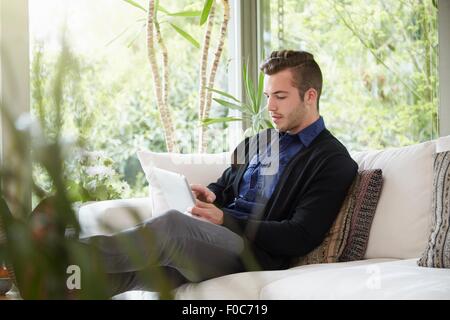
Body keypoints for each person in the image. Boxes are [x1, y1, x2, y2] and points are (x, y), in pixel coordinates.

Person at [77, 50, 359, 296]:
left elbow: (300, 235)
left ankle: (65, 256)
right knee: (129, 274)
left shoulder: (332, 160)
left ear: (310, 96)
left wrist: (225, 218)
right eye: (268, 96)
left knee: (173, 228)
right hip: (214, 239)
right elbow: (225, 185)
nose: (270, 106)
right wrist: (210, 195)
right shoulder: (258, 141)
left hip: (255, 253)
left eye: (281, 97)